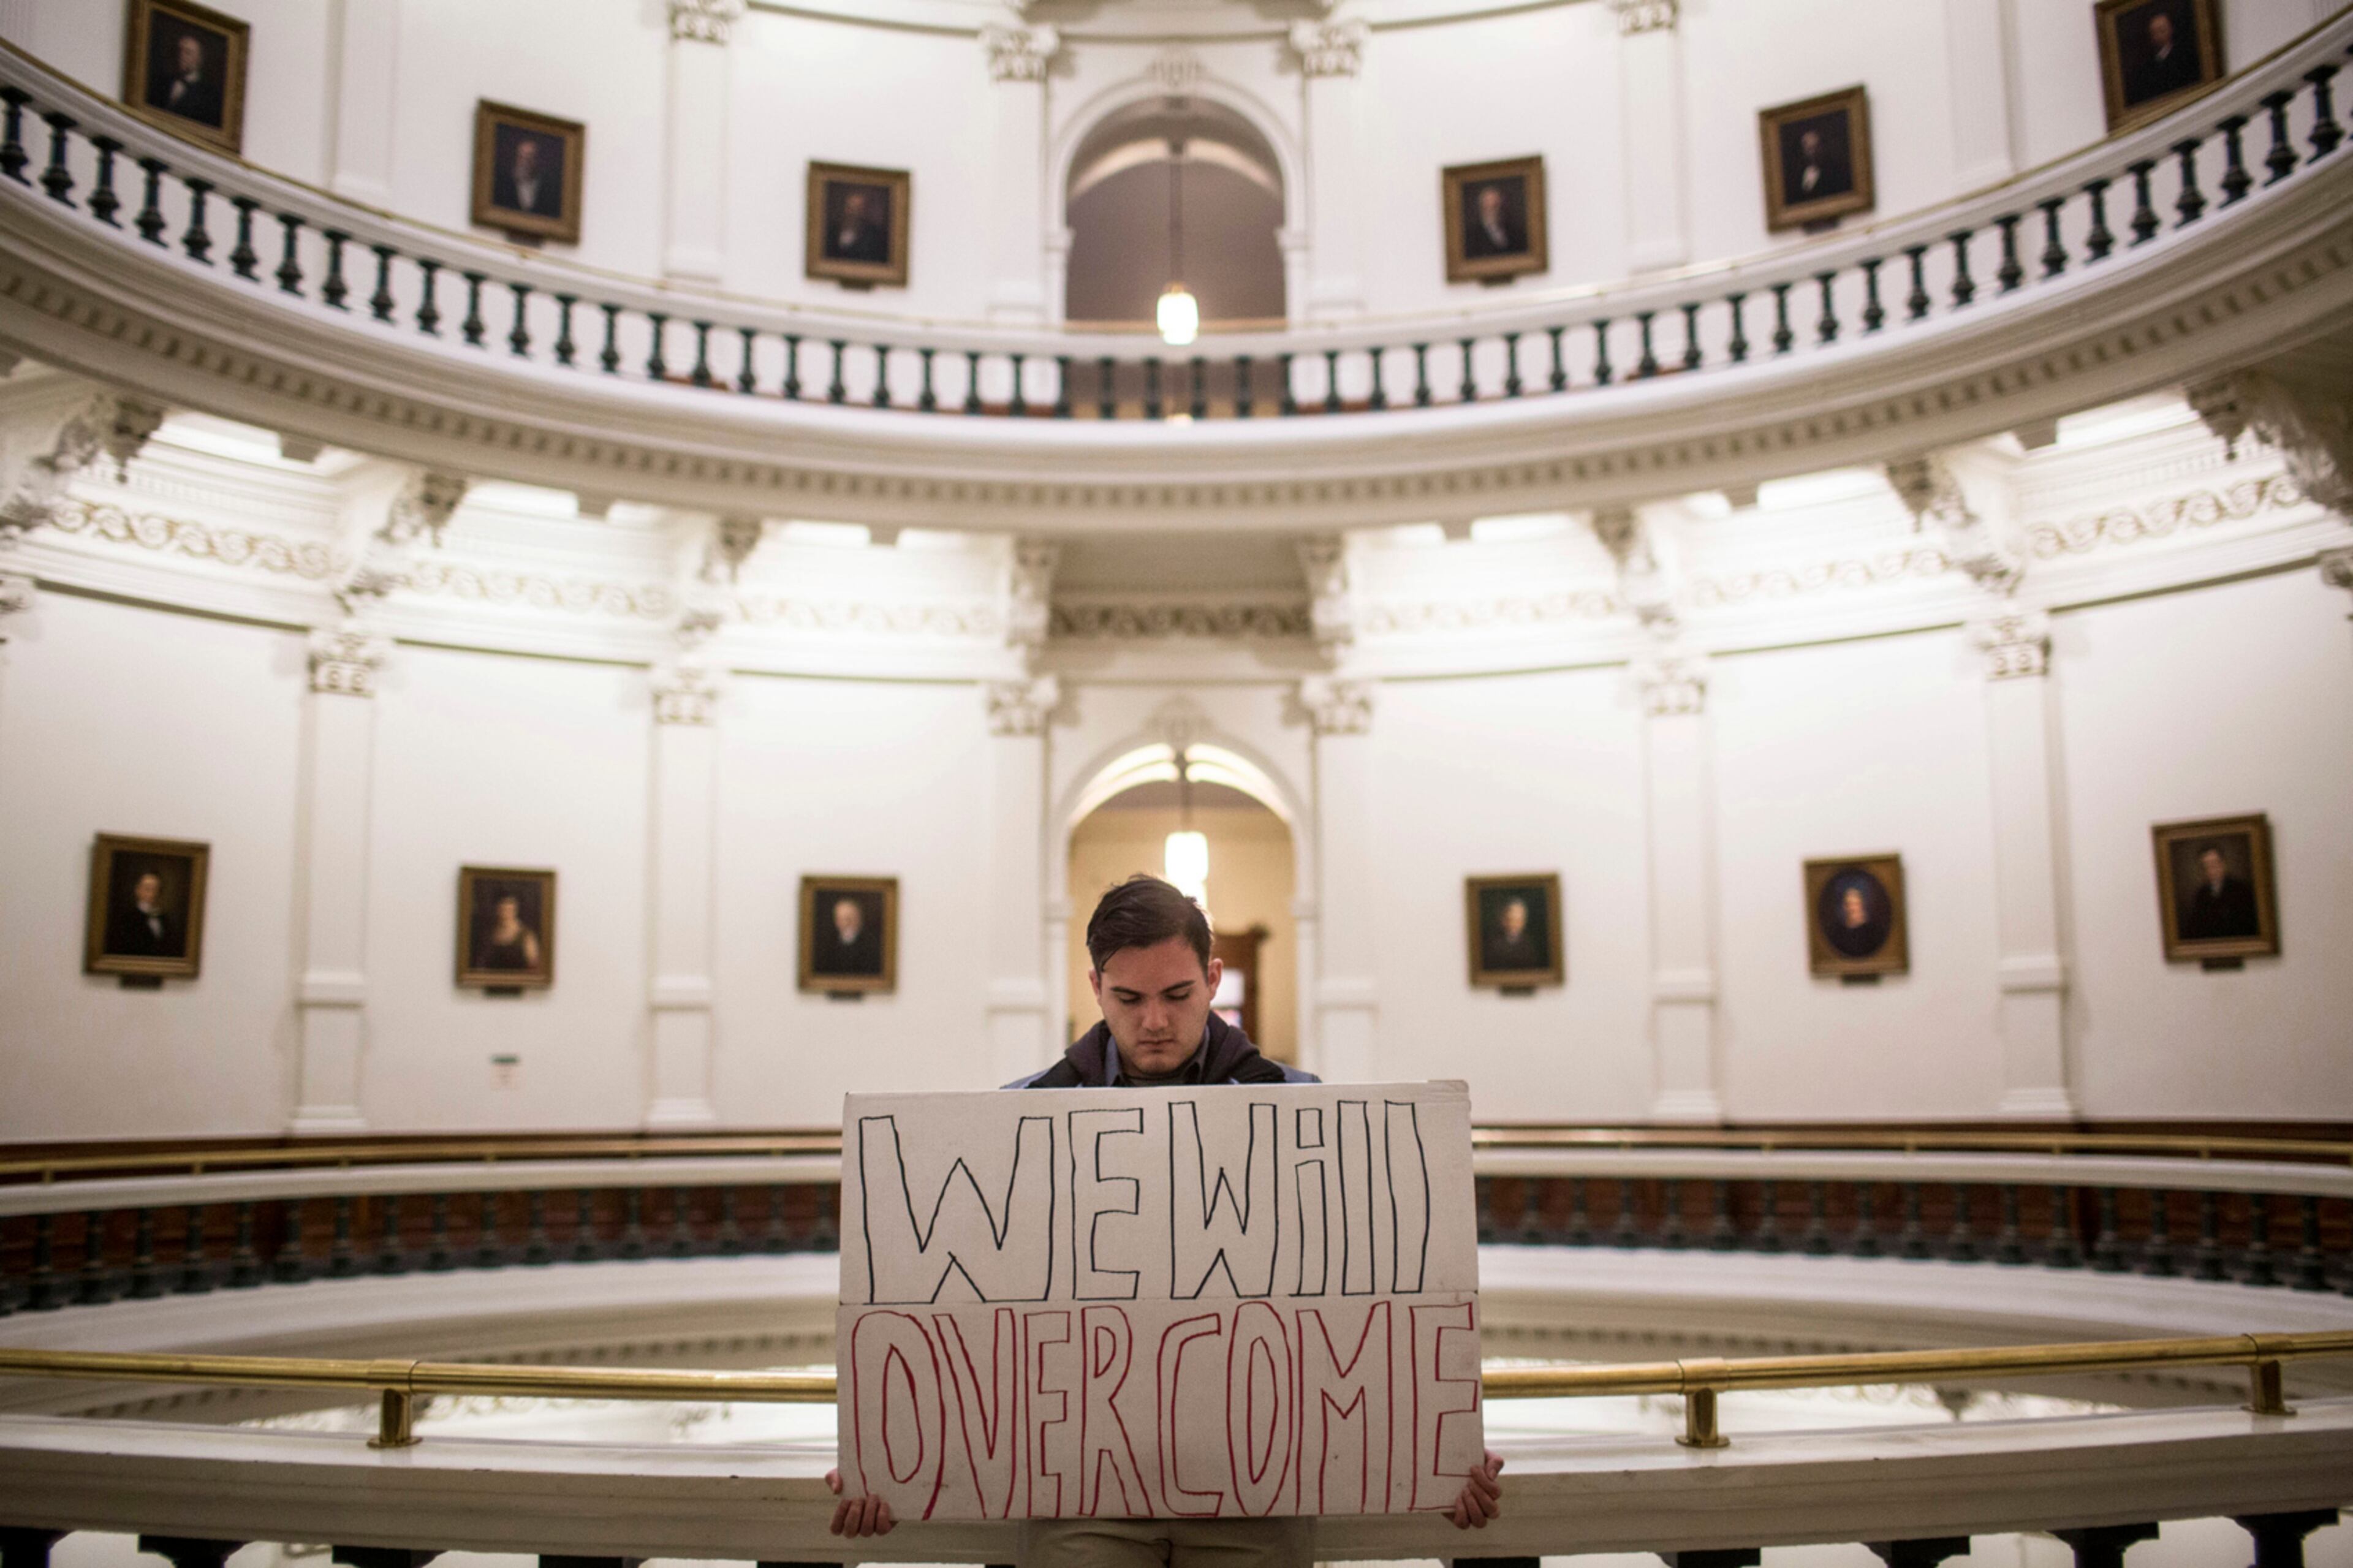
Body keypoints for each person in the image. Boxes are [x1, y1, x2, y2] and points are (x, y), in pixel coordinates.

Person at [828, 873, 1507, 1562]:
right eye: (1129, 998)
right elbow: (961, 1312)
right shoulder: (1016, 1119)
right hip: (1080, 1498)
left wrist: (1441, 1438)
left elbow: (1372, 1293)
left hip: (1259, 1494)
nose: (1154, 1021)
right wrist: (882, 1456)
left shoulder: (1307, 1115)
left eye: (1177, 995)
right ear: (1095, 988)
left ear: (1213, 979)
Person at [2123, 7, 2203, 105]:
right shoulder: (2147, 65)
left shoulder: (2184, 57)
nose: (2158, 36)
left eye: (2162, 31)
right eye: (2154, 33)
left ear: (2170, 30)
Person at [146, 30, 223, 129]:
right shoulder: (162, 82)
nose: (181, 56)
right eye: (180, 51)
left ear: (199, 59)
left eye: (188, 53)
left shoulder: (209, 95)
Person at [2180, 844, 2259, 941]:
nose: (2211, 870)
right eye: (2206, 866)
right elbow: (2195, 927)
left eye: (2214, 864)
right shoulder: (2201, 893)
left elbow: (2248, 926)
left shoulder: (2241, 889)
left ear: (2223, 864)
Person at [106, 869, 181, 958]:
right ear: (138, 890)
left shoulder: (165, 919)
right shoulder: (127, 919)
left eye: (156, 889)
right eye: (148, 889)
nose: (153, 894)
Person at [810, 893, 884, 976]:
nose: (846, 923)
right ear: (836, 921)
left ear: (859, 919)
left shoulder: (872, 946)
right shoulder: (827, 945)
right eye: (841, 919)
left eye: (850, 918)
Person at [492, 134, 561, 219]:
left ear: (538, 160)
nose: (525, 163)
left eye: (530, 158)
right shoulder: (503, 185)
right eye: (521, 157)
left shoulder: (549, 189)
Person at [1821, 874, 1889, 960]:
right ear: (1844, 907)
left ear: (1862, 905)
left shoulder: (1874, 932)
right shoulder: (1837, 933)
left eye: (1856, 904)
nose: (1852, 908)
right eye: (1849, 904)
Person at [472, 893, 541, 972]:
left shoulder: (526, 935)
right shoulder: (489, 933)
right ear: (497, 910)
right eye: (502, 909)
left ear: (516, 910)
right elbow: (480, 963)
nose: (505, 913)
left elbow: (533, 966)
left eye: (509, 910)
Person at [1786, 124, 1851, 202]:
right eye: (1810, 149)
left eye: (1816, 147)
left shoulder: (1837, 171)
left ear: (1823, 148)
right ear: (1804, 151)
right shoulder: (1796, 174)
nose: (1814, 152)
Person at [1482, 893, 1543, 974]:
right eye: (1511, 919)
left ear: (1524, 922)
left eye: (1518, 921)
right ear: (1503, 920)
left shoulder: (1529, 945)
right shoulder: (1492, 943)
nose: (1514, 925)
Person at [828, 187, 890, 264]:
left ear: (863, 212)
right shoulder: (832, 230)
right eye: (850, 208)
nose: (853, 213)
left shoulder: (873, 235)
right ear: (844, 209)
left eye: (858, 209)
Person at [1461, 181, 1523, 259]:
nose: (1494, 211)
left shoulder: (1515, 232)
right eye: (1489, 206)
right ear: (1482, 208)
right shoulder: (1472, 235)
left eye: (1496, 205)